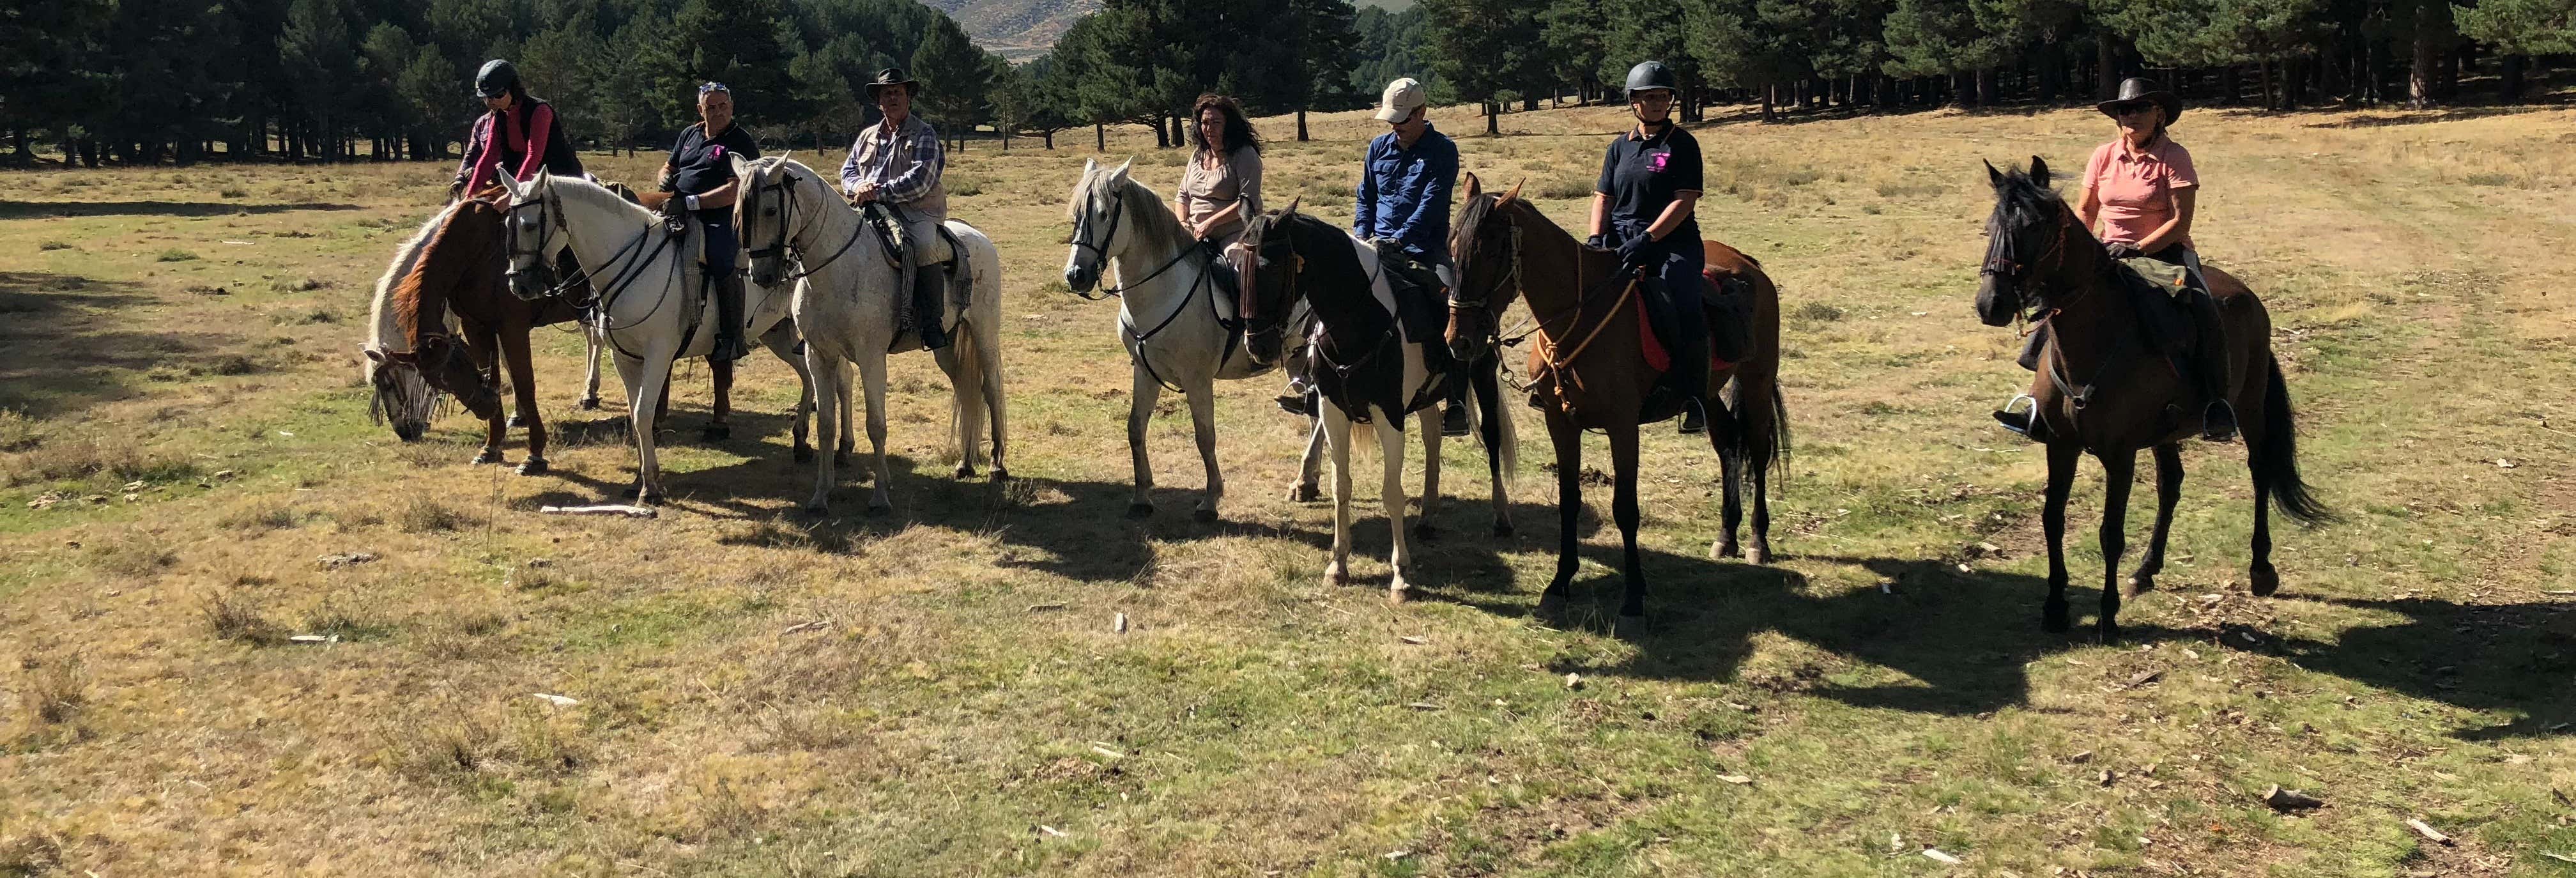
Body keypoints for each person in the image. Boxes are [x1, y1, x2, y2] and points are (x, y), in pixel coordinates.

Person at [1995, 77, 2235, 442]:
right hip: (2107, 252)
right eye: (2125, 109)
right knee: (2058, 301)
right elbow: (2086, 210)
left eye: (2140, 108)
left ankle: (2216, 403)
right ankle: (2038, 402)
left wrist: (2138, 248)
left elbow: (2179, 222)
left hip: (2165, 254)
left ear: (2158, 113)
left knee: (2203, 306)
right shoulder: (2103, 155)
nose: (2132, 116)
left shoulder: (2175, 157)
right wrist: (2079, 252)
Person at [1290, 77, 1470, 435]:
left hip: (1423, 250)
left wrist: (1398, 241)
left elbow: (1431, 207)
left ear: (1422, 113)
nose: (1394, 127)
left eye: (1401, 120)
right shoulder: (1378, 148)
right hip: (1373, 245)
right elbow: (1365, 197)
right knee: (1324, 298)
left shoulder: (1443, 151)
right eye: (1391, 120)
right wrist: (1361, 237)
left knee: (1450, 305)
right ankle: (1315, 381)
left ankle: (1455, 399)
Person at [1588, 61, 1712, 433]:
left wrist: (1650, 238)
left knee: (1682, 295)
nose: (1657, 103)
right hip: (1621, 239)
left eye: (1663, 96)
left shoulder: (1683, 145)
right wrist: (1596, 238)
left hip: (1671, 242)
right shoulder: (1618, 148)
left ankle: (1694, 395)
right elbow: (1603, 197)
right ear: (1633, 101)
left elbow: (1684, 201)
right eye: (1648, 97)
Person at [839, 67, 951, 351]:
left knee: (925, 245)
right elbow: (848, 171)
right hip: (869, 208)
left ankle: (931, 322)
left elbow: (922, 179)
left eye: (898, 92)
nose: (892, 98)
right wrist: (858, 188)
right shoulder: (867, 136)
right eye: (886, 93)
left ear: (908, 98)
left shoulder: (924, 134)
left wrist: (878, 191)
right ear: (879, 101)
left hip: (916, 212)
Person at [657, 81, 760, 362]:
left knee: (720, 257)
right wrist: (664, 177)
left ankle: (732, 337)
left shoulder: (741, 141)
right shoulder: (689, 134)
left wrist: (692, 202)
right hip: (677, 207)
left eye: (723, 106)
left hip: (722, 216)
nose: (718, 112)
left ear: (732, 106)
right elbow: (670, 165)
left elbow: (736, 189)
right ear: (700, 109)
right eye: (711, 107)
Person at [451, 59, 584, 203]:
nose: (492, 101)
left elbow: (533, 156)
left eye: (499, 95)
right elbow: (488, 158)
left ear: (513, 89)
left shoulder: (540, 111)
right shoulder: (499, 118)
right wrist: (468, 198)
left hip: (561, 180)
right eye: (487, 97)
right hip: (526, 183)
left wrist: (512, 196)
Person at [1175, 94, 1263, 268]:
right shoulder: (1198, 155)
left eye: (1216, 123)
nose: (1209, 129)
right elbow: (1182, 195)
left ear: (1228, 125)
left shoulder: (1245, 155)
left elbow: (1248, 202)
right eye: (1205, 123)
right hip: (1194, 233)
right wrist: (1182, 224)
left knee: (1240, 269)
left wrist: (1210, 223)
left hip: (1234, 234)